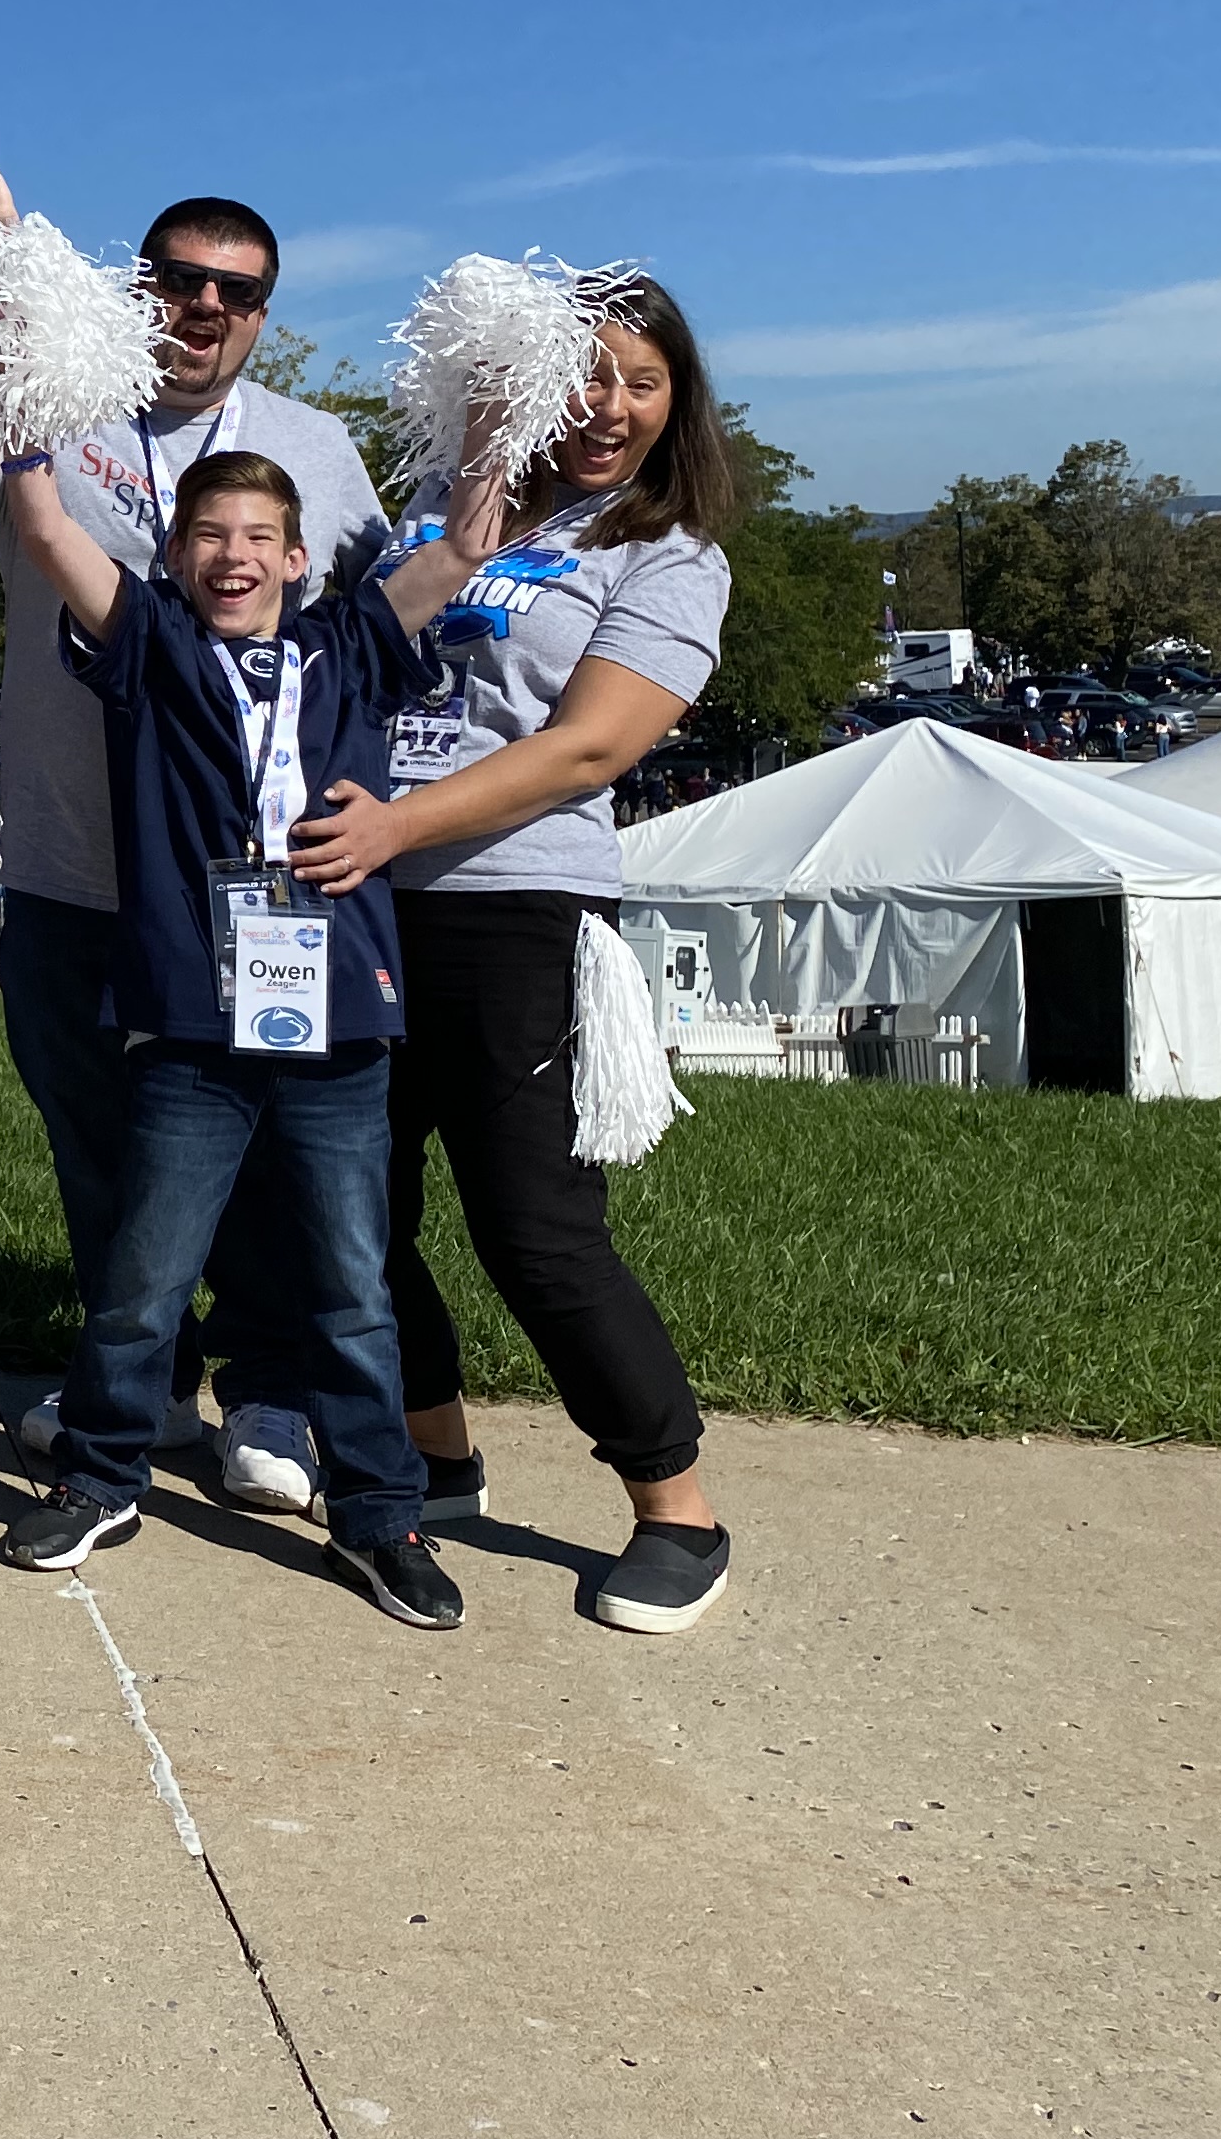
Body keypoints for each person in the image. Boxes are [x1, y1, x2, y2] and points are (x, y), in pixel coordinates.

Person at [0, 178, 388, 1516]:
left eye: (237, 289)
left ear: (263, 313)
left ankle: (268, 1389)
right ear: (137, 285)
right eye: (178, 277)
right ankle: (134, 1385)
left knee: (262, 1147)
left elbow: (374, 637)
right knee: (99, 1145)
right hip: (72, 860)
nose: (204, 304)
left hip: (254, 889)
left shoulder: (317, 448)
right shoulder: (51, 413)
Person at [0, 436, 515, 1628]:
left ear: (300, 557)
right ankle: (104, 1474)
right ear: (176, 554)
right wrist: (24, 427)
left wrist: (491, 419)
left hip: (337, 1014)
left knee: (350, 1285)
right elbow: (51, 534)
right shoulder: (153, 642)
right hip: (188, 1014)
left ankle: (382, 1515)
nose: (235, 557)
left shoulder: (352, 641)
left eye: (258, 538)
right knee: (144, 1274)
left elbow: (470, 542)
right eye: (210, 536)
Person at [287, 279, 742, 1634]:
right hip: (363, 900)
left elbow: (590, 747)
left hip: (512, 905)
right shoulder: (442, 503)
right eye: (586, 376)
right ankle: (436, 1459)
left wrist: (400, 825)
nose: (610, 408)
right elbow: (346, 658)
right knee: (355, 1214)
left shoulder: (668, 553)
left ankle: (678, 1508)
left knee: (536, 1231)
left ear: (678, 404)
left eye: (642, 383)